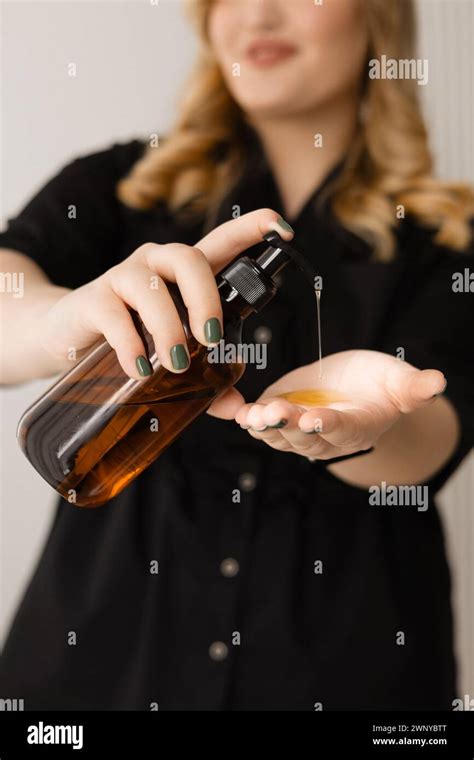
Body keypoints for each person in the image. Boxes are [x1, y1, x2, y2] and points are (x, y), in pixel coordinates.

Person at [0, 0, 473, 711]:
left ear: (378, 16)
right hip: (99, 673)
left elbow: (432, 436)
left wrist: (364, 424)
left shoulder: (449, 239)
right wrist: (63, 320)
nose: (257, 12)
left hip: (346, 673)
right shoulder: (125, 187)